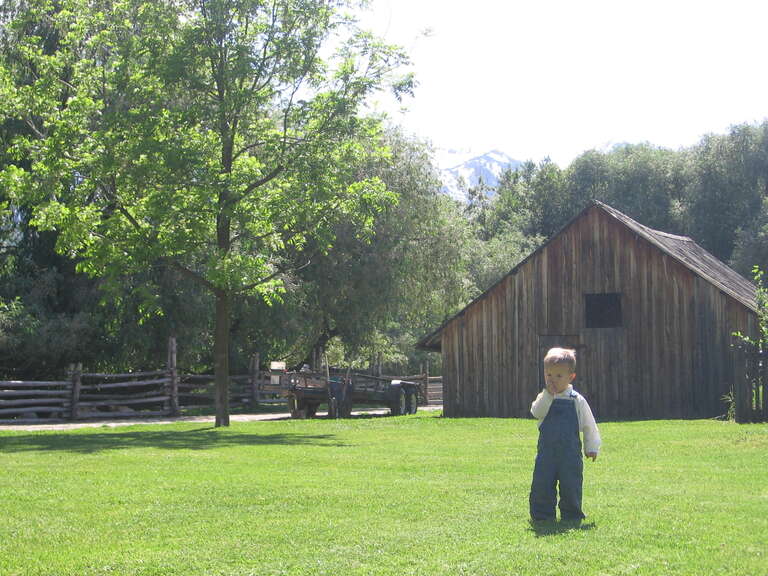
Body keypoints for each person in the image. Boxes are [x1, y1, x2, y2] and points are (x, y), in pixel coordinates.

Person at [529, 347, 601, 522]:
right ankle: (542, 515)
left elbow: (589, 424)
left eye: (558, 376)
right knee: (542, 483)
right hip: (547, 452)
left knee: (571, 484)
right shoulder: (544, 397)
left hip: (570, 453)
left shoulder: (576, 400)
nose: (552, 380)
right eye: (548, 375)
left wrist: (591, 447)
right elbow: (536, 412)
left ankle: (571, 514)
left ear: (571, 377)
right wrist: (548, 396)